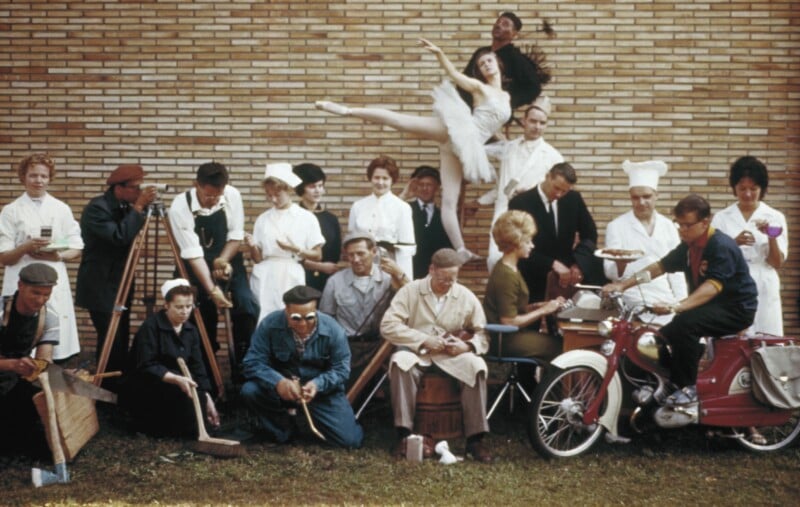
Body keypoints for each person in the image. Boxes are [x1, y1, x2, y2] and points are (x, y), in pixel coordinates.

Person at [316, 38, 512, 262]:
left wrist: (502, 140)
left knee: (449, 200)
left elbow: (493, 122)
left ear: (498, 63)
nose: (486, 65)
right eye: (481, 63)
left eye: (489, 60)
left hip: (466, 148)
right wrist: (439, 53)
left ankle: (461, 249)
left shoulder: (506, 97)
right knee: (401, 121)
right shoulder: (479, 87)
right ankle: (347, 111)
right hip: (458, 133)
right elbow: (455, 75)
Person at [603, 194, 757, 406]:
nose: (681, 230)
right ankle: (669, 379)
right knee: (661, 335)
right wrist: (622, 285)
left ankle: (688, 388)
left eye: (687, 225)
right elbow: (659, 267)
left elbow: (713, 286)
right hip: (711, 307)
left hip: (736, 308)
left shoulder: (721, 245)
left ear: (705, 222)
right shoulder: (688, 245)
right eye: (678, 224)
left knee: (685, 325)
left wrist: (676, 306)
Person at [380, 248, 493, 463]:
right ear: (431, 270)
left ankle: (475, 440)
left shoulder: (466, 296)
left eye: (453, 278)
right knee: (399, 363)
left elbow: (483, 333)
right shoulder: (410, 291)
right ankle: (403, 435)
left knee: (476, 367)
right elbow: (387, 326)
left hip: (452, 355)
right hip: (417, 352)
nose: (449, 283)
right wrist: (422, 339)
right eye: (443, 279)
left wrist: (466, 346)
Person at [240, 286, 363, 448]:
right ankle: (283, 431)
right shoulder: (269, 324)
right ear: (286, 311)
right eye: (296, 318)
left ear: (316, 310)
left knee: (350, 442)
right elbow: (252, 362)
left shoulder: (334, 329)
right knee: (250, 390)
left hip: (320, 392)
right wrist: (278, 382)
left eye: (309, 317)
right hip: (281, 391)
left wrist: (317, 384)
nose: (303, 324)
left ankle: (321, 420)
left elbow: (341, 370)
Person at [168, 161, 259, 367]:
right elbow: (193, 253)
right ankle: (205, 366)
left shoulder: (232, 195)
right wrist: (213, 291)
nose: (212, 201)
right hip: (194, 265)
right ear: (196, 185)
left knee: (246, 305)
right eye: (208, 196)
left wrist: (223, 260)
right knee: (201, 314)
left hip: (228, 257)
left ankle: (244, 361)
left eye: (217, 196)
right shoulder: (180, 206)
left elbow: (235, 235)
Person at [0, 154, 83, 362]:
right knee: (20, 344)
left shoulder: (61, 209)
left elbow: (77, 248)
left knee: (54, 341)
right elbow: (4, 257)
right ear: (23, 177)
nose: (39, 181)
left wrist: (57, 256)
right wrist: (25, 248)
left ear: (49, 178)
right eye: (33, 175)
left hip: (53, 279)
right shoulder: (11, 211)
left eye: (43, 176)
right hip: (22, 279)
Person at [76, 164, 157, 375]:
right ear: (118, 188)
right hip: (100, 285)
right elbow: (119, 237)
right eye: (135, 188)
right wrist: (138, 207)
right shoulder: (97, 208)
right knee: (111, 338)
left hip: (120, 283)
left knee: (121, 335)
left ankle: (120, 384)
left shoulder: (123, 205)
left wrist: (141, 207)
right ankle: (107, 386)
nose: (139, 192)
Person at [121, 279, 219, 437]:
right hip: (150, 385)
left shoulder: (190, 330)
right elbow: (146, 365)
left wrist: (207, 397)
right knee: (180, 419)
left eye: (188, 306)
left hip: (179, 383)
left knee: (198, 402)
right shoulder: (151, 327)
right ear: (166, 305)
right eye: (179, 307)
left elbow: (197, 366)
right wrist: (176, 379)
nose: (185, 312)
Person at [483, 211, 565, 392]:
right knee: (560, 346)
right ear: (516, 243)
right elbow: (509, 321)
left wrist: (539, 306)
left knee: (557, 343)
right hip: (504, 340)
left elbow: (514, 308)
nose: (532, 246)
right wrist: (543, 311)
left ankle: (541, 395)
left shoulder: (510, 268)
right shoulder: (506, 275)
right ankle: (547, 398)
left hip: (508, 336)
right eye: (528, 241)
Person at [480, 98, 564, 270]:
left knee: (527, 262)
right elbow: (503, 184)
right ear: (524, 121)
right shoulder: (508, 148)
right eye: (533, 121)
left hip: (533, 214)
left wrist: (533, 192)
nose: (537, 126)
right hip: (505, 211)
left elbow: (558, 192)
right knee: (496, 259)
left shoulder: (553, 156)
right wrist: (481, 201)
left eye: (542, 123)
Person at [319, 231, 409, 386]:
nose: (355, 259)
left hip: (380, 347)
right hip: (347, 348)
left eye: (361, 253)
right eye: (350, 255)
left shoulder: (389, 279)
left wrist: (399, 273)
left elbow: (414, 298)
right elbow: (326, 320)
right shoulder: (335, 282)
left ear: (374, 252)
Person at [711, 156, 787, 335]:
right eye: (742, 188)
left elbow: (777, 263)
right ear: (734, 188)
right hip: (732, 283)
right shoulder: (722, 218)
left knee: (766, 339)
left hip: (763, 282)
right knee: (732, 341)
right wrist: (733, 243)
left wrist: (771, 237)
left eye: (753, 189)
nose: (747, 194)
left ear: (762, 189)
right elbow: (713, 259)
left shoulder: (774, 217)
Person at [508, 162, 604, 303]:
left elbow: (590, 235)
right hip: (530, 276)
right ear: (548, 177)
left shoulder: (573, 199)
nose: (559, 195)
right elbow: (516, 244)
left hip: (564, 281)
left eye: (564, 191)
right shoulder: (520, 202)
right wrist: (552, 263)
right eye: (556, 188)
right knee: (529, 322)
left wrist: (579, 264)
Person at [603, 160, 687, 320]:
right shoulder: (616, 226)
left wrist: (681, 304)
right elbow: (609, 271)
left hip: (664, 298)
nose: (641, 203)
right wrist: (620, 265)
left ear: (656, 195)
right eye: (636, 198)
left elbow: (677, 272)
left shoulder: (668, 226)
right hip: (631, 299)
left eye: (646, 196)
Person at [244, 163, 324, 324]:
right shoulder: (263, 219)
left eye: (277, 194)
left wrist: (295, 249)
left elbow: (317, 255)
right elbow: (258, 258)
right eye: (269, 195)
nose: (273, 199)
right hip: (266, 274)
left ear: (289, 190)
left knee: (292, 316)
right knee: (264, 318)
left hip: (291, 273)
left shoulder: (306, 218)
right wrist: (252, 245)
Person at [0, 263, 59, 456]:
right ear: (20, 285)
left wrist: (46, 369)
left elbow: (44, 358)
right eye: (36, 293)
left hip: (15, 378)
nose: (41, 300)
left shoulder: (49, 316)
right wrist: (11, 365)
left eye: (46, 294)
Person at [461, 11, 551, 110]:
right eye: (498, 22)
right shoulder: (481, 53)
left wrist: (508, 102)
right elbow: (465, 79)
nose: (499, 25)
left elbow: (533, 88)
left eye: (505, 24)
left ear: (514, 34)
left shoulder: (516, 58)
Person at [346, 156, 416, 280]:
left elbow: (407, 248)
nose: (380, 182)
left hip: (389, 268)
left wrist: (403, 278)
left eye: (385, 178)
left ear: (392, 180)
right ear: (370, 178)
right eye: (376, 177)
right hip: (362, 267)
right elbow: (351, 242)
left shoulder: (402, 208)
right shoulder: (358, 206)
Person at [293, 163, 343, 292]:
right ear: (301, 189)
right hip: (299, 278)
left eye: (320, 186)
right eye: (312, 186)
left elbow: (335, 252)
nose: (317, 191)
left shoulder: (331, 219)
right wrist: (318, 266)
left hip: (327, 280)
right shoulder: (293, 217)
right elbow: (290, 253)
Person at [402, 165, 453, 279]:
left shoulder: (445, 215)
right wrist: (404, 195)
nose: (425, 188)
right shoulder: (405, 209)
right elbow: (388, 216)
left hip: (435, 276)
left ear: (436, 187)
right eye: (421, 185)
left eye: (429, 185)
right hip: (409, 273)